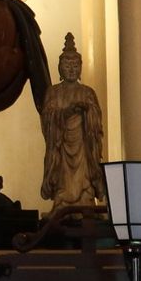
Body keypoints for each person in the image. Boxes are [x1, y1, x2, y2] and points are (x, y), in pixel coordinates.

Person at [40, 33, 105, 207]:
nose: (71, 69)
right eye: (67, 65)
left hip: (83, 144)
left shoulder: (87, 92)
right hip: (61, 144)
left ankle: (86, 199)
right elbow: (48, 117)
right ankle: (62, 203)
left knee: (85, 178)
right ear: (60, 68)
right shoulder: (53, 92)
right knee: (62, 178)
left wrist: (87, 111)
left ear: (80, 68)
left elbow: (96, 123)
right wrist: (67, 112)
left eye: (75, 65)